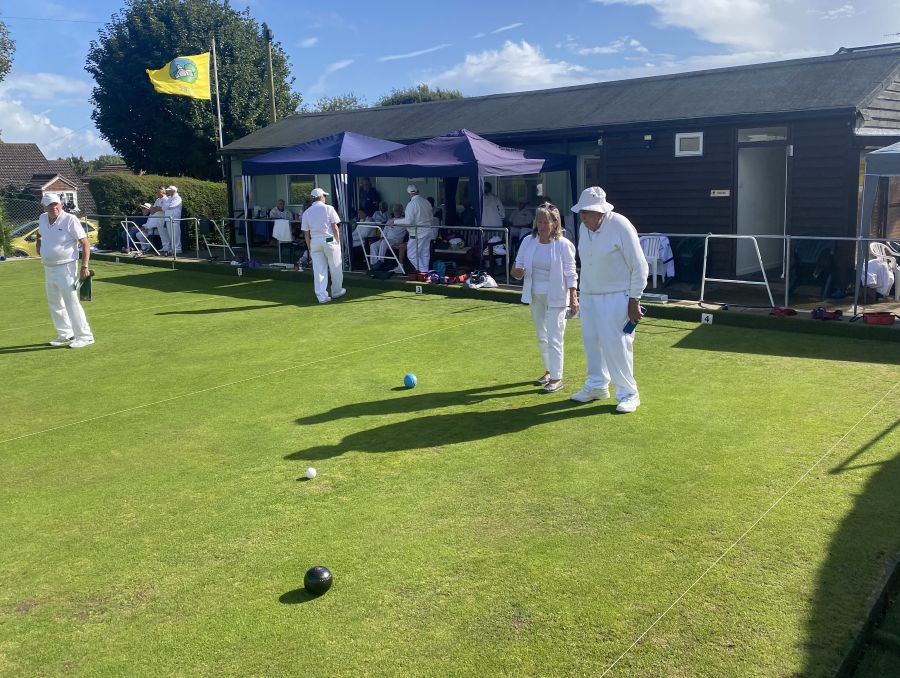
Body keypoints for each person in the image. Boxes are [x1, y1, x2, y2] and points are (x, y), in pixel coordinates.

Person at [570, 187, 648, 413]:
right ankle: (597, 385)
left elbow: (639, 266)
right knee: (592, 342)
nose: (583, 216)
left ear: (601, 211)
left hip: (617, 296)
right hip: (589, 295)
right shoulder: (584, 228)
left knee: (617, 345)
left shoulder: (621, 225)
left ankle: (629, 393)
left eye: (587, 212)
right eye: (582, 211)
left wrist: (634, 299)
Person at [511, 203, 578, 393]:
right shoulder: (528, 241)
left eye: (545, 222)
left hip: (556, 295)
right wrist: (517, 272)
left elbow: (571, 272)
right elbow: (517, 267)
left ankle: (557, 378)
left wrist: (573, 297)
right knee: (542, 335)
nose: (541, 226)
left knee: (555, 336)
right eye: (539, 221)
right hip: (535, 294)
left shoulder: (564, 245)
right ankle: (549, 371)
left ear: (555, 223)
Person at [35, 194, 95, 348]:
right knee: (54, 302)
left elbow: (85, 243)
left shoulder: (70, 219)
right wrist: (38, 245)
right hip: (48, 266)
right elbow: (40, 233)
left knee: (71, 301)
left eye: (56, 204)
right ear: (44, 207)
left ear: (60, 204)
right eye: (50, 205)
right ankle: (66, 334)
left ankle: (85, 336)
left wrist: (84, 266)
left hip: (66, 267)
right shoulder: (43, 218)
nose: (54, 207)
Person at [301, 187, 346, 303]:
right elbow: (335, 227)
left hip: (315, 241)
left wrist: (309, 247)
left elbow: (306, 233)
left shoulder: (306, 212)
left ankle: (322, 296)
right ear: (321, 197)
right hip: (329, 239)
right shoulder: (329, 208)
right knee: (335, 267)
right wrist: (337, 241)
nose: (325, 198)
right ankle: (336, 291)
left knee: (319, 270)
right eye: (324, 196)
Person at [389, 184, 434, 272]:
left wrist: (394, 222)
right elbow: (431, 217)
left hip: (417, 233)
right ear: (418, 191)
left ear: (409, 193)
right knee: (424, 254)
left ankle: (424, 272)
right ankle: (425, 272)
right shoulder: (426, 202)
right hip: (428, 231)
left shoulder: (411, 204)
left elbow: (408, 221)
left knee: (411, 255)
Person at [163, 185, 183, 255]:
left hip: (175, 218)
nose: (167, 191)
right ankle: (173, 248)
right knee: (171, 235)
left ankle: (178, 249)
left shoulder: (178, 198)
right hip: (168, 218)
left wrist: (166, 206)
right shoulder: (169, 198)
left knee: (176, 234)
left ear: (173, 191)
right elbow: (164, 207)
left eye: (169, 190)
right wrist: (166, 206)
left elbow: (171, 206)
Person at [145, 187, 167, 251]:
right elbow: (154, 209)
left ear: (163, 192)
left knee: (165, 233)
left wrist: (158, 208)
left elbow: (164, 209)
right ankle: (165, 247)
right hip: (158, 219)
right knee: (162, 234)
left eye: (158, 192)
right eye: (156, 192)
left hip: (164, 218)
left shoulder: (166, 199)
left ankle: (168, 247)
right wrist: (156, 208)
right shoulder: (157, 200)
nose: (156, 193)